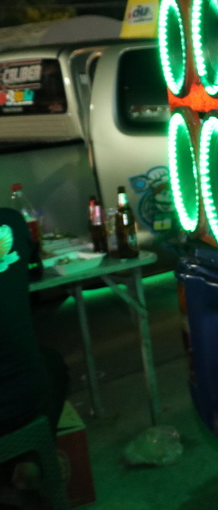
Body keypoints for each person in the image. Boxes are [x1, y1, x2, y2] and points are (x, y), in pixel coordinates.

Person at [0, 206, 69, 505]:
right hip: (23, 398)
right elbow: (30, 266)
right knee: (49, 364)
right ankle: (29, 461)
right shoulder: (10, 222)